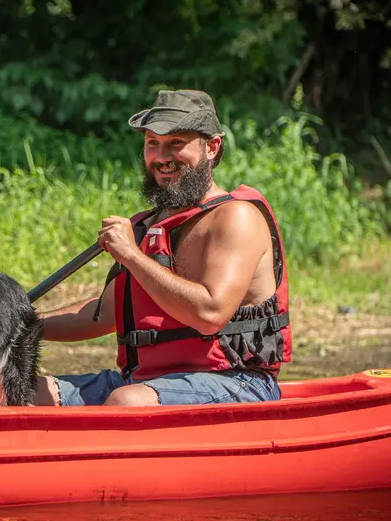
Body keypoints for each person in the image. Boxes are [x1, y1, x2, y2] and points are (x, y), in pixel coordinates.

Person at [35, 89, 292, 406]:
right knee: (21, 390)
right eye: (152, 144)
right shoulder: (148, 225)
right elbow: (103, 315)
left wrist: (131, 255)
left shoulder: (236, 217)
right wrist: (19, 325)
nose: (161, 157)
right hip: (147, 382)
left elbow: (210, 313)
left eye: (175, 144)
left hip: (237, 382)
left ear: (212, 147)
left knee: (128, 401)